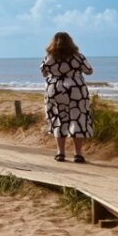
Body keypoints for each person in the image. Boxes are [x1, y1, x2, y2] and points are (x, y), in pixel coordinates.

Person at [41, 32, 94, 163]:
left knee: (58, 119)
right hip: (76, 90)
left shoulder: (49, 57)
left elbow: (44, 72)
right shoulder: (78, 56)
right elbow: (89, 71)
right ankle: (78, 154)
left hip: (55, 89)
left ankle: (60, 153)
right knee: (78, 119)